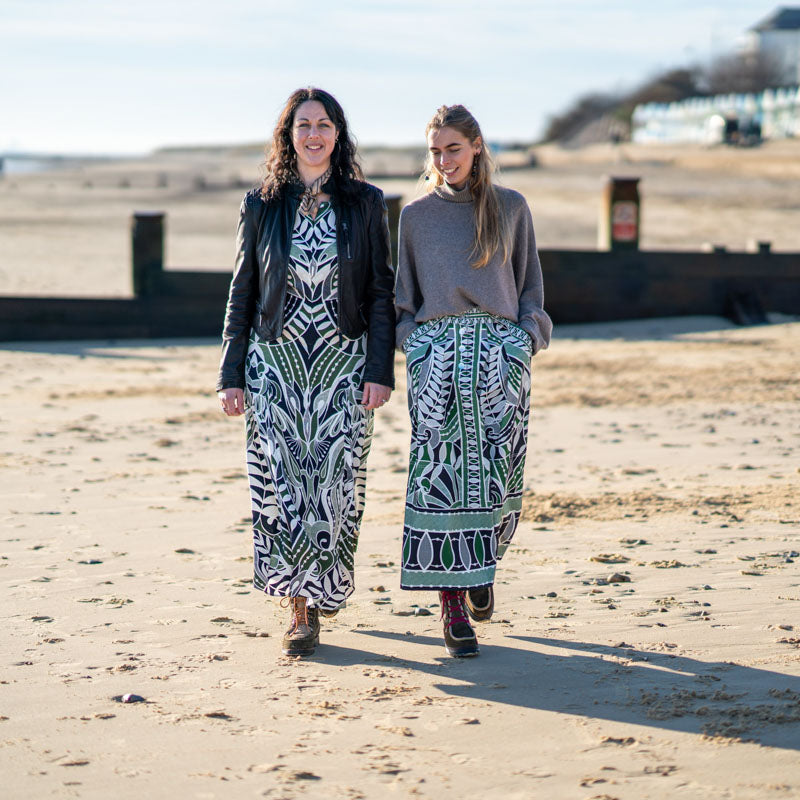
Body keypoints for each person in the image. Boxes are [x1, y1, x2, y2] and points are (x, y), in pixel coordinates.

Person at [216, 87, 394, 657]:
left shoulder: (365, 203)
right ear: (287, 136)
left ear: (338, 135)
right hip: (276, 365)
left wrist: (380, 367)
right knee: (284, 487)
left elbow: (381, 292)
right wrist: (231, 372)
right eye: (303, 125)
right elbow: (242, 290)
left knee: (335, 488)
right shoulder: (261, 204)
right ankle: (299, 609)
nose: (313, 134)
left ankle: (321, 596)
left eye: (323, 124)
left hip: (343, 364)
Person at [395, 105, 552, 657]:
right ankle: (452, 606)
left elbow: (531, 287)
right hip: (436, 359)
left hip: (499, 356)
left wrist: (524, 340)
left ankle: (482, 564)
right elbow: (403, 301)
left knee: (496, 475)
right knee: (437, 476)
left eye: (453, 149)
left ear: (477, 146)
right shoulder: (414, 216)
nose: (443, 160)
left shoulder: (511, 208)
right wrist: (415, 347)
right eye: (435, 151)